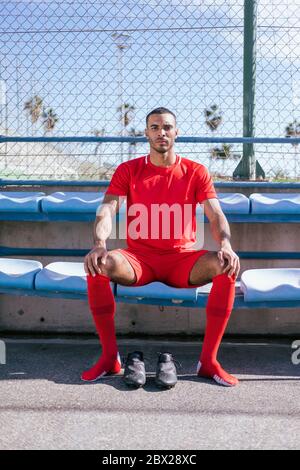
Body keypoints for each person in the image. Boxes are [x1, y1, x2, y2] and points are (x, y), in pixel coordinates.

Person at [82, 107, 240, 388]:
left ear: (176, 132)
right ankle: (109, 358)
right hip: (139, 260)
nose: (161, 132)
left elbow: (215, 213)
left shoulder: (195, 171)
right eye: (154, 127)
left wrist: (226, 244)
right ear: (146, 133)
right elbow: (107, 208)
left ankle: (208, 361)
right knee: (98, 265)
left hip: (182, 261)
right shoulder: (129, 170)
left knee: (226, 265)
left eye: (167, 127)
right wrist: (99, 244)